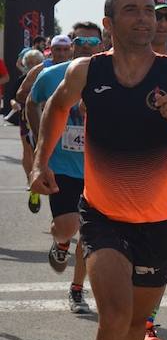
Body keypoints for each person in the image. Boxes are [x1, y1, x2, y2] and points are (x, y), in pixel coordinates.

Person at [30, 0, 167, 340]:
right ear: (108, 23)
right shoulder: (87, 70)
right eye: (131, 10)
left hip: (160, 221)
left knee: (135, 324)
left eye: (149, 11)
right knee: (114, 316)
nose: (144, 18)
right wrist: (40, 161)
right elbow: (56, 106)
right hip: (103, 216)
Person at [27, 21, 103, 314]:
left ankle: (77, 289)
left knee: (89, 233)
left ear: (103, 44)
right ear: (72, 45)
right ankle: (60, 244)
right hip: (61, 165)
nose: (86, 47)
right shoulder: (52, 75)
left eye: (93, 42)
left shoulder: (113, 75)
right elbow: (31, 103)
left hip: (97, 168)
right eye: (81, 42)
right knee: (67, 227)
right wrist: (40, 148)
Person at [18, 35, 73, 213]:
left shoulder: (76, 68)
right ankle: (34, 185)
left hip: (69, 125)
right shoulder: (42, 69)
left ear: (71, 50)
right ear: (51, 50)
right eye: (58, 49)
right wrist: (43, 99)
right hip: (41, 120)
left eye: (65, 50)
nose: (62, 54)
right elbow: (21, 94)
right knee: (36, 153)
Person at [18, 49, 47, 212]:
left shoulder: (48, 75)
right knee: (28, 150)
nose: (33, 66)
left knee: (41, 151)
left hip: (45, 117)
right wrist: (16, 102)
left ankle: (40, 179)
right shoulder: (25, 78)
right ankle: (32, 183)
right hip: (26, 117)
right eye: (29, 64)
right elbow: (16, 95)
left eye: (36, 63)